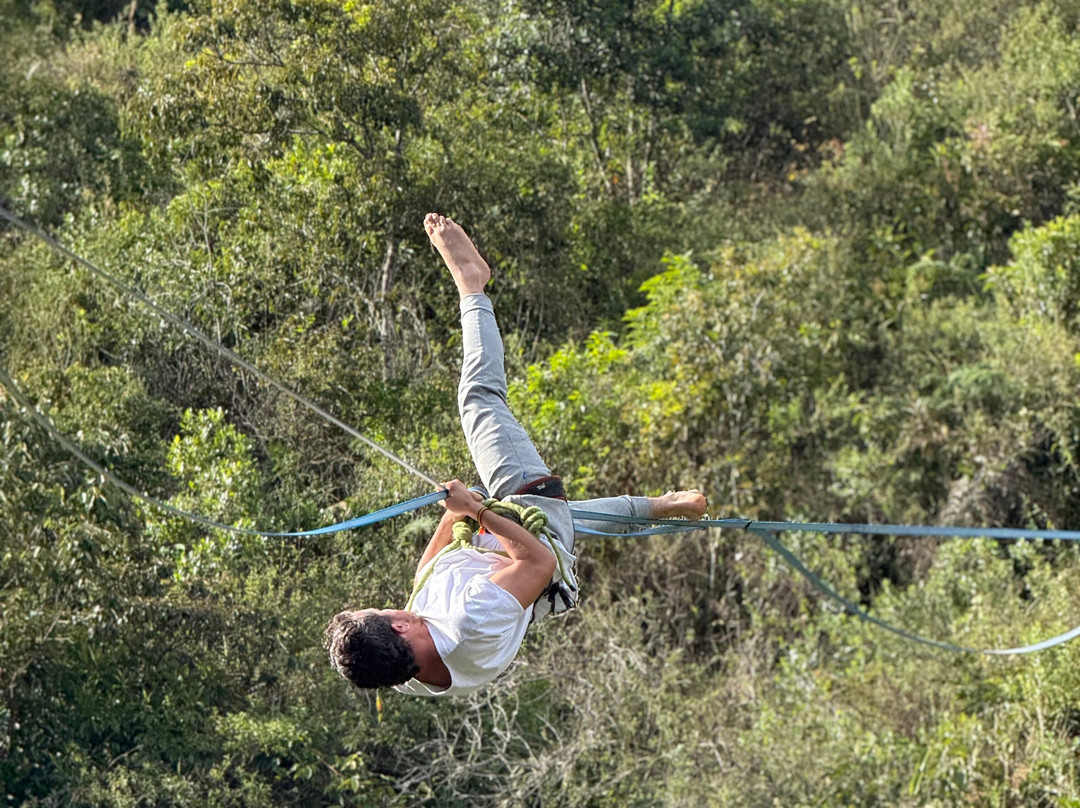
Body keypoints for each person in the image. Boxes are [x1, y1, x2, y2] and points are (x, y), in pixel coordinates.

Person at [324, 214, 707, 697]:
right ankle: (472, 287)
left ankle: (662, 506)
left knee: (566, 522)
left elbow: (427, 579)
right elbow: (538, 563)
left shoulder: (401, 673)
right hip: (531, 525)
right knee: (479, 399)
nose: (392, 608)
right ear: (400, 630)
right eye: (382, 612)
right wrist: (478, 511)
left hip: (532, 547)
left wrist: (453, 519)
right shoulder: (471, 620)